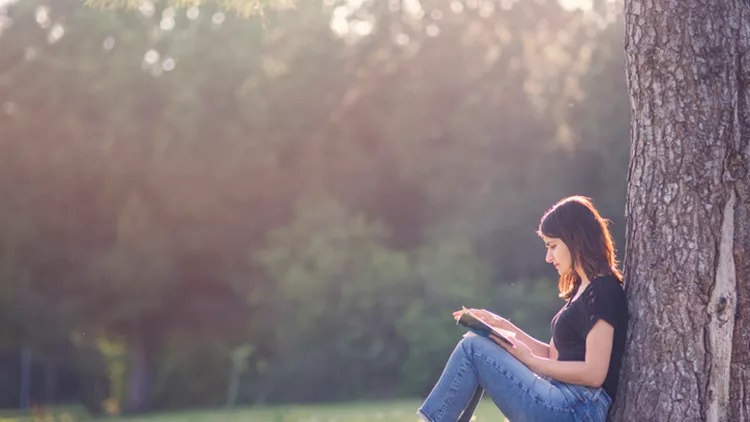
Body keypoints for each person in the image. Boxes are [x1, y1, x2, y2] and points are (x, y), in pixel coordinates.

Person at [417, 196, 628, 422]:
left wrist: (531, 362)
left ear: (575, 239)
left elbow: (595, 374)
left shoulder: (603, 290)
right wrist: (499, 325)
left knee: (472, 349)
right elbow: (552, 355)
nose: (549, 257)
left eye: (553, 246)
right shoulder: (581, 291)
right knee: (476, 342)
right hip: (564, 400)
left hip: (578, 407)